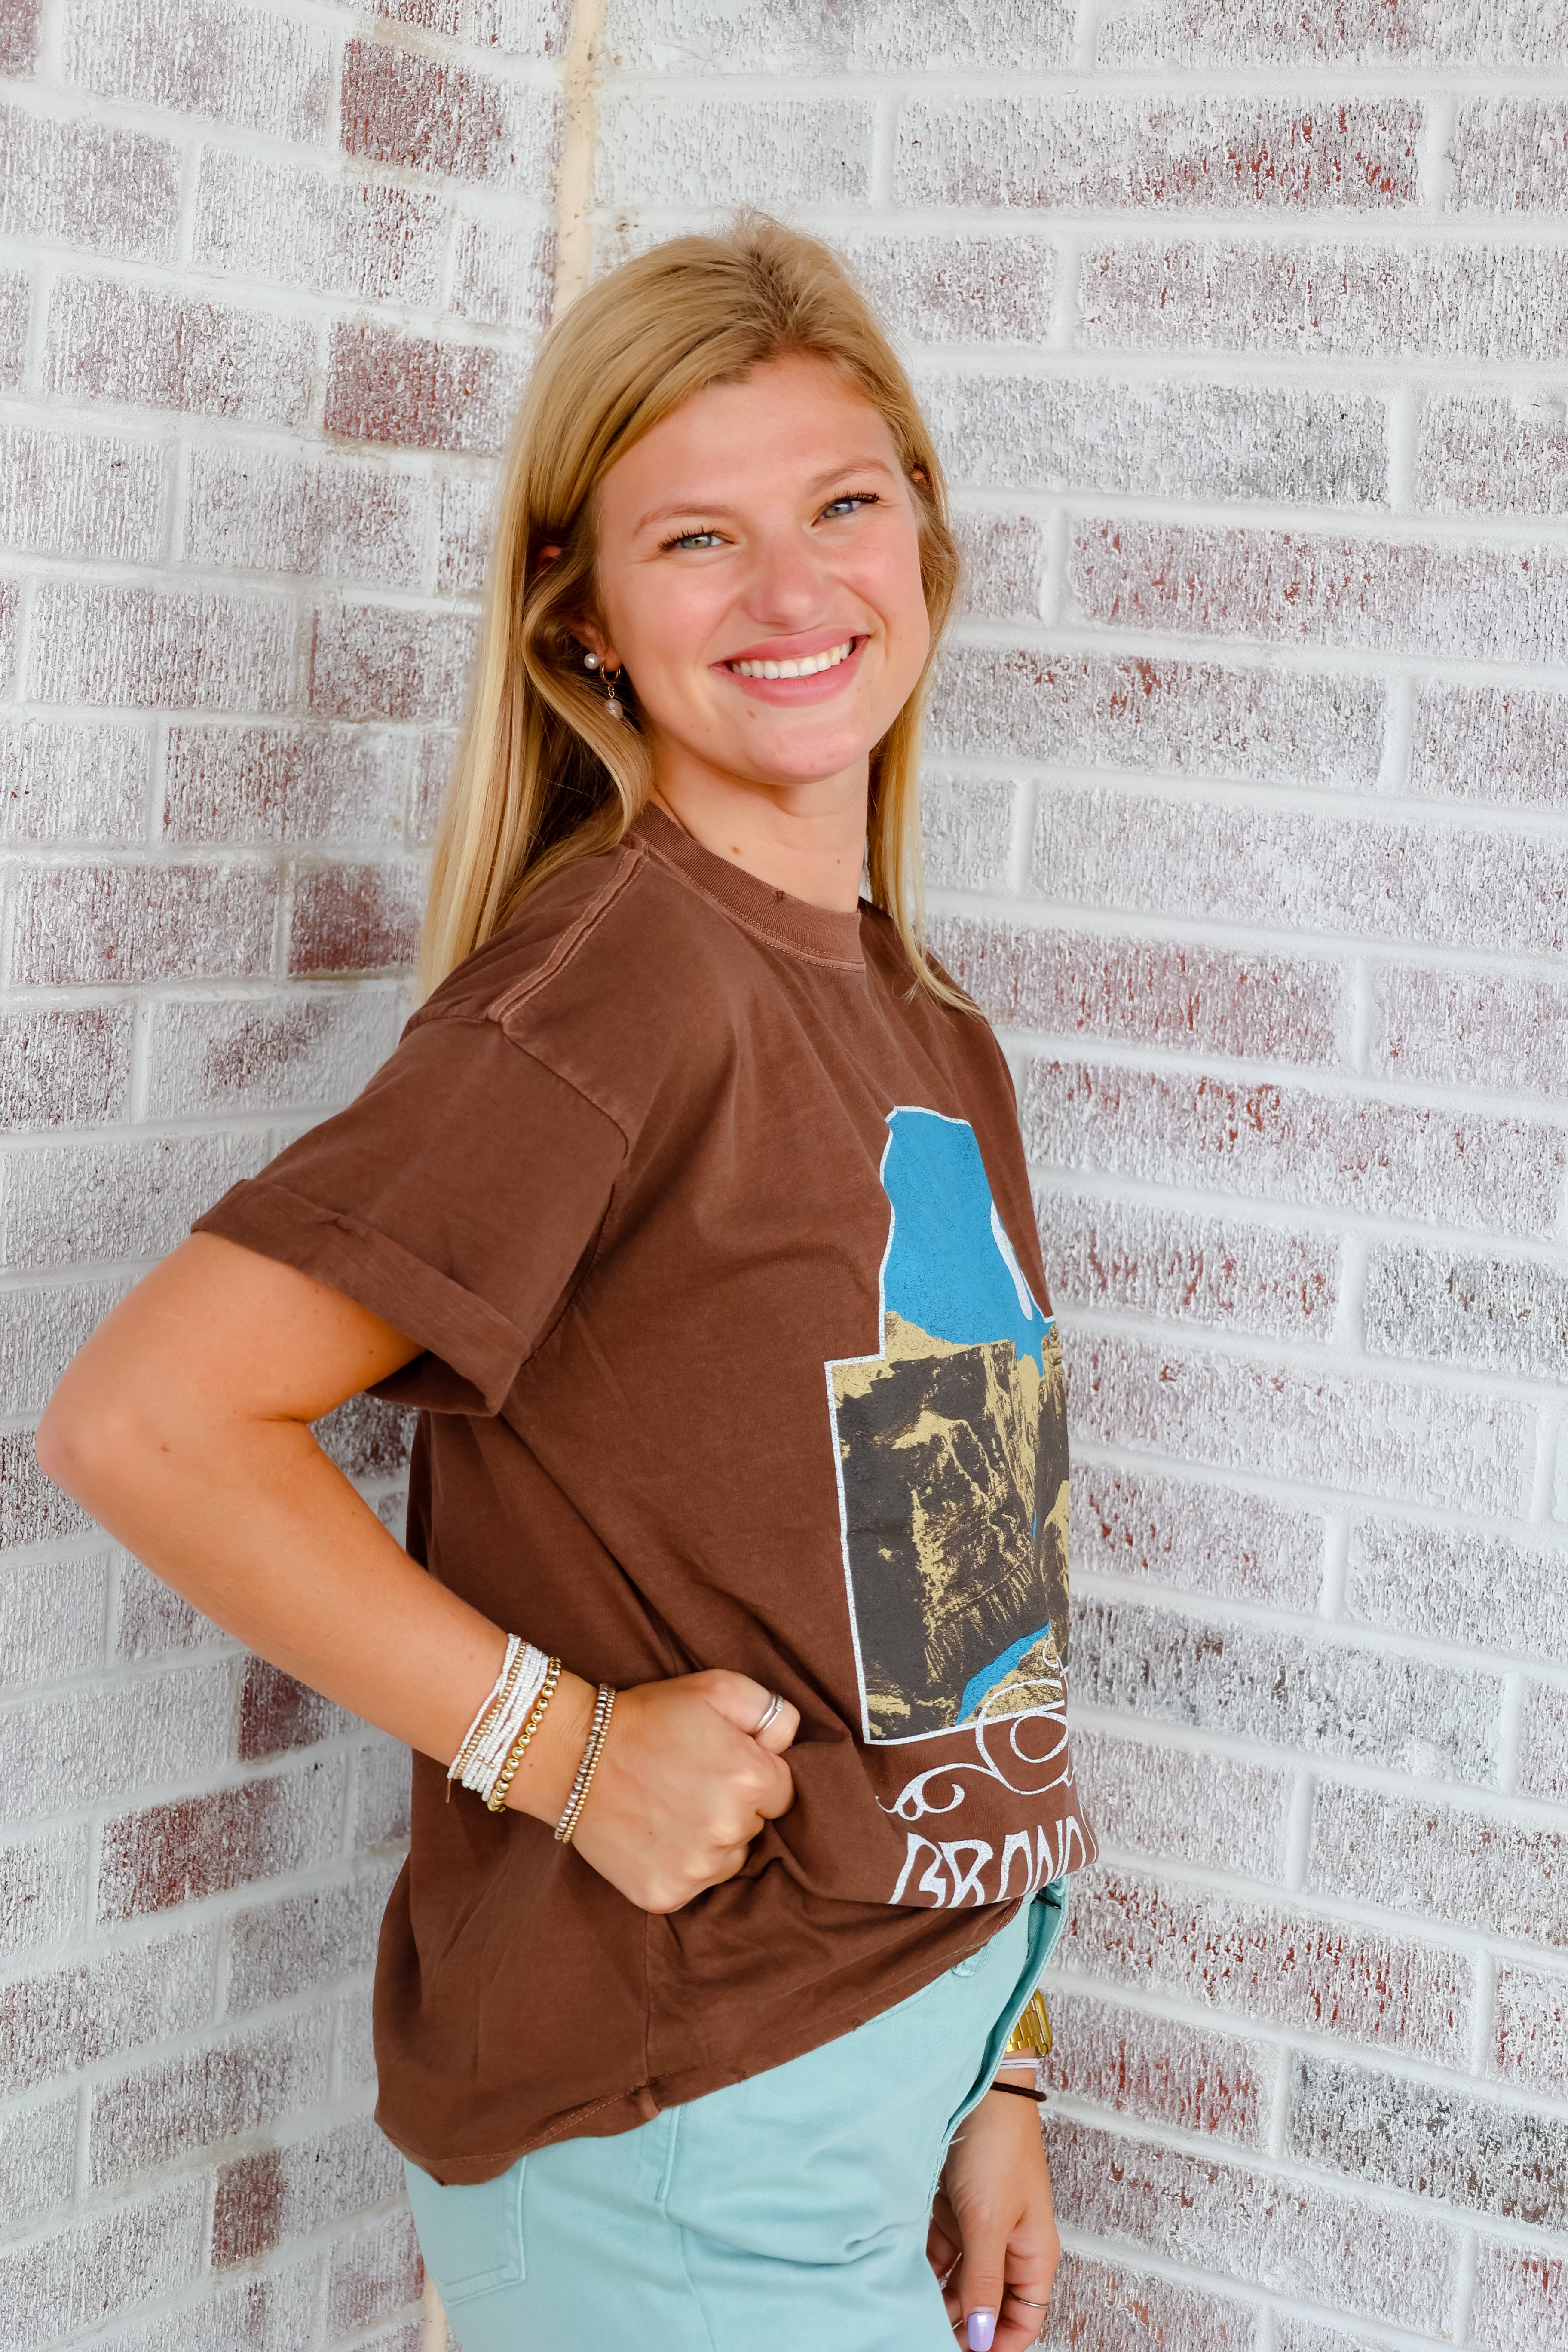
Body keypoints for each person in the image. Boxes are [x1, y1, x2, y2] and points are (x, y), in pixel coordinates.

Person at [37, 217, 1095, 2352]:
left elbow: (965, 1611)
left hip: (875, 2066)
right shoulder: (624, 981)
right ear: (583, 618)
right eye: (698, 539)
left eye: (842, 505)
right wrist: (568, 1751)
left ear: (925, 540)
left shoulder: (919, 1021)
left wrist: (1002, 2069)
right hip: (682, 2127)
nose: (792, 592)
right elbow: (146, 1420)